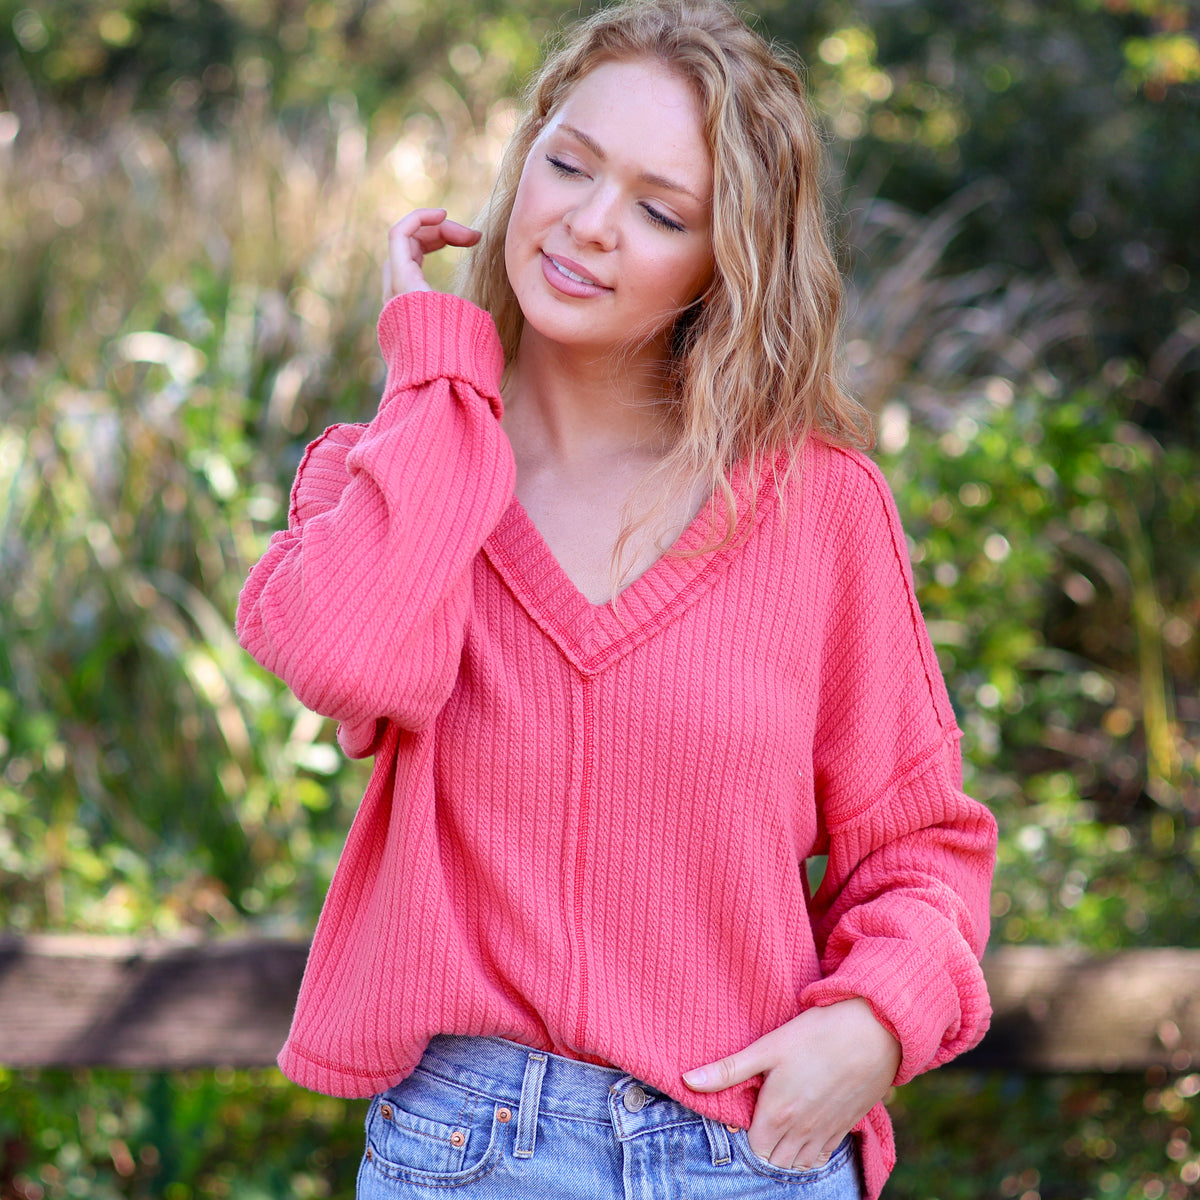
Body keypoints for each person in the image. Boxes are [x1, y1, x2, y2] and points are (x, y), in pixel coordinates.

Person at [235, 1, 998, 1196]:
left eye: (659, 210)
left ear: (724, 258)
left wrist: (879, 1021)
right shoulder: (393, 473)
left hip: (748, 1154)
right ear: (522, 159)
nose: (588, 225)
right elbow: (353, 663)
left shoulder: (820, 510)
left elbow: (921, 849)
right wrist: (438, 373)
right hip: (467, 1152)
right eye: (569, 164)